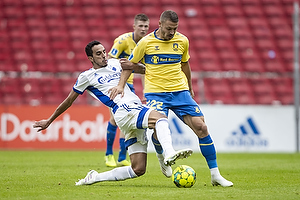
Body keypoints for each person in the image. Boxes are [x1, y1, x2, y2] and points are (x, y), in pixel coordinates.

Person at [32, 40, 192, 185]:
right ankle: (168, 154)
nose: (103, 55)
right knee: (161, 119)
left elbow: (142, 69)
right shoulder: (86, 77)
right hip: (124, 110)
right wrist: (49, 121)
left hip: (133, 110)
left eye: (104, 51)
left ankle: (94, 178)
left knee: (138, 169)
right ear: (90, 58)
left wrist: (135, 64)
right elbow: (68, 101)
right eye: (98, 53)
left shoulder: (116, 63)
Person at [116, 10, 233, 187]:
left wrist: (190, 87)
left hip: (180, 91)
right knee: (158, 128)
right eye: (169, 28)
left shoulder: (182, 40)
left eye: (175, 29)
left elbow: (185, 64)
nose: (172, 32)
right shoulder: (146, 42)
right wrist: (120, 86)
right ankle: (162, 155)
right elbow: (129, 65)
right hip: (156, 93)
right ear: (160, 24)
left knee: (202, 127)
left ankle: (215, 175)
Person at [104, 14, 150, 167]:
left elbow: (144, 70)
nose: (143, 29)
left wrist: (145, 91)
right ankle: (109, 154)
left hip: (129, 86)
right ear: (134, 26)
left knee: (126, 121)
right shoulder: (122, 41)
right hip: (116, 83)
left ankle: (122, 157)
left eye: (146, 26)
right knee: (114, 119)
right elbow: (109, 61)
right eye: (141, 26)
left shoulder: (146, 44)